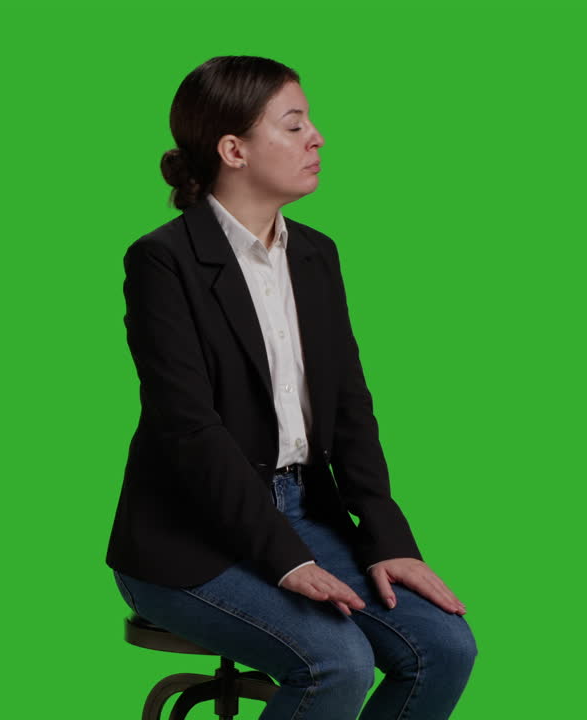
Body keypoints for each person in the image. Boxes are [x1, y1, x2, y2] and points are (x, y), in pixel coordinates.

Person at [106, 56, 476, 719]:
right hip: (189, 536)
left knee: (445, 647)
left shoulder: (315, 253)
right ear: (233, 150)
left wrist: (389, 538)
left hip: (308, 512)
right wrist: (283, 561)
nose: (318, 138)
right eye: (295, 123)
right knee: (335, 662)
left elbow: (350, 406)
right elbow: (189, 430)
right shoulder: (163, 262)